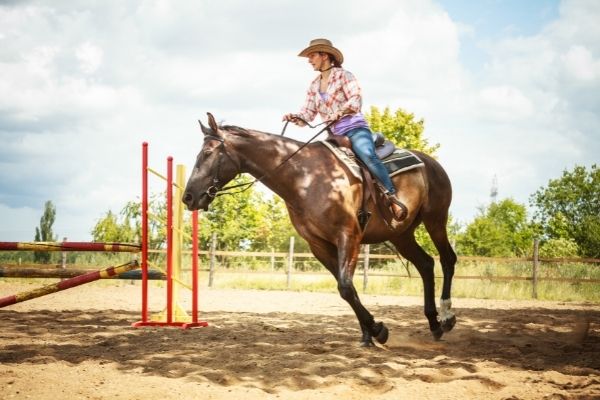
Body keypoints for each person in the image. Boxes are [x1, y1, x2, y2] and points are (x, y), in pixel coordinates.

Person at [283, 38, 407, 221]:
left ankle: (392, 196)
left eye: (312, 55)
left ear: (324, 55)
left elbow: (355, 100)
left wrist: (340, 112)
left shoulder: (344, 76)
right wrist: (296, 117)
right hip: (333, 135)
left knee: (367, 155)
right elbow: (308, 113)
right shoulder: (313, 85)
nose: (309, 60)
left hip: (354, 129)